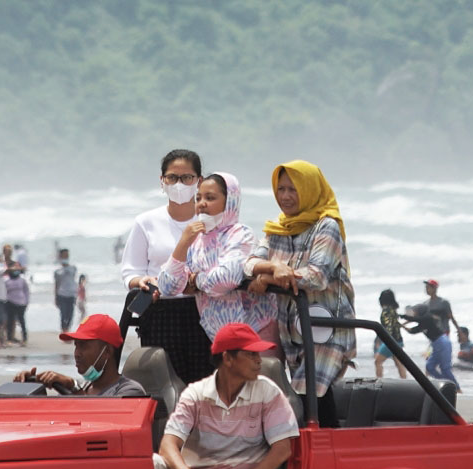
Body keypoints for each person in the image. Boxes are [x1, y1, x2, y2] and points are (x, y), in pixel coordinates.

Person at [152, 323, 300, 469]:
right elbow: (168, 445)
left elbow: (283, 450)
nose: (259, 360)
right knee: (144, 466)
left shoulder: (268, 393)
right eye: (251, 354)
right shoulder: (195, 394)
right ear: (228, 359)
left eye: (258, 354)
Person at [245, 161, 356, 427]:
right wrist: (271, 268)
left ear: (309, 189)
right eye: (281, 189)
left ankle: (325, 454)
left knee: (311, 392)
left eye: (293, 189)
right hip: (291, 328)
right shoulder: (277, 228)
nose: (285, 196)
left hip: (325, 325)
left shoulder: (326, 226)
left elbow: (316, 276)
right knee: (303, 398)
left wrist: (269, 276)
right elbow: (249, 264)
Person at [120, 148, 212, 383]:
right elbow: (131, 270)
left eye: (187, 178)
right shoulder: (146, 222)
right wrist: (139, 281)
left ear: (199, 181)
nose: (179, 184)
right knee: (164, 383)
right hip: (160, 311)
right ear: (162, 181)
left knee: (205, 382)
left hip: (205, 309)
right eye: (172, 178)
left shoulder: (211, 222)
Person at [158, 171, 277, 348]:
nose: (202, 204)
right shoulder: (196, 240)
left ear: (229, 201)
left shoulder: (241, 234)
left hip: (256, 330)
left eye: (210, 198)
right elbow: (168, 286)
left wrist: (196, 280)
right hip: (220, 337)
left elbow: (225, 279)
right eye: (198, 198)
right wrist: (183, 244)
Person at [14, 314, 147, 396]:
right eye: (76, 345)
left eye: (84, 346)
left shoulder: (129, 391)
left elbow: (99, 420)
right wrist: (32, 388)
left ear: (106, 352)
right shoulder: (82, 389)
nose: (77, 353)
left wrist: (72, 386)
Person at [401, 304, 459, 390]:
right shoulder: (422, 323)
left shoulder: (427, 318)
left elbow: (415, 319)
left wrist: (402, 316)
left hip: (443, 342)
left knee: (445, 368)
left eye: (415, 311)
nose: (414, 313)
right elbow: (411, 331)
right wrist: (400, 325)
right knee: (430, 367)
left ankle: (457, 388)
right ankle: (445, 384)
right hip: (435, 345)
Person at [374, 288, 408, 379]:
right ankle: (405, 382)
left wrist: (383, 339)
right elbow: (395, 325)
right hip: (398, 340)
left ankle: (379, 381)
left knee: (377, 362)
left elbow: (388, 327)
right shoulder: (393, 310)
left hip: (391, 342)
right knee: (399, 364)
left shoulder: (385, 312)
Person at [53, 248, 78, 333]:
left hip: (71, 294)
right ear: (60, 256)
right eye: (64, 255)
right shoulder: (57, 270)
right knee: (63, 313)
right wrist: (55, 297)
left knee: (70, 314)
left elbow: (73, 281)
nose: (66, 256)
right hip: (62, 294)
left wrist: (76, 294)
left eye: (67, 255)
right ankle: (64, 330)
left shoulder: (73, 268)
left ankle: (68, 328)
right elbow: (56, 284)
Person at [4, 265, 30, 344]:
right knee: (10, 321)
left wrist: (26, 302)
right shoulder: (7, 281)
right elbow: (5, 292)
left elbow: (26, 291)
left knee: (22, 321)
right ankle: (9, 338)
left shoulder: (22, 281)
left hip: (21, 303)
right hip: (10, 302)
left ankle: (24, 338)